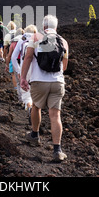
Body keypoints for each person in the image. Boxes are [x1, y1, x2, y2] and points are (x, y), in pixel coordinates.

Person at [20, 15, 69, 162]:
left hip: (38, 81)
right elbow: (65, 64)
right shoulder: (63, 41)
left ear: (44, 25)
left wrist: (23, 77)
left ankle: (35, 135)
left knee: (36, 106)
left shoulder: (36, 37)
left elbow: (28, 57)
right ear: (56, 26)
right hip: (57, 82)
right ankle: (57, 150)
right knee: (55, 115)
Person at [11, 25, 37, 121]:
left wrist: (18, 71)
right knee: (35, 90)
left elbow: (14, 57)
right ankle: (35, 109)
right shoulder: (38, 39)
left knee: (26, 92)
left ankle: (29, 106)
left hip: (24, 68)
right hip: (35, 69)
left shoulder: (22, 40)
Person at [5, 27, 24, 99]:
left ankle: (20, 96)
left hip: (15, 61)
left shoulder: (13, 42)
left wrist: (7, 65)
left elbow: (9, 55)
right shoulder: (26, 41)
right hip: (23, 61)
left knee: (16, 77)